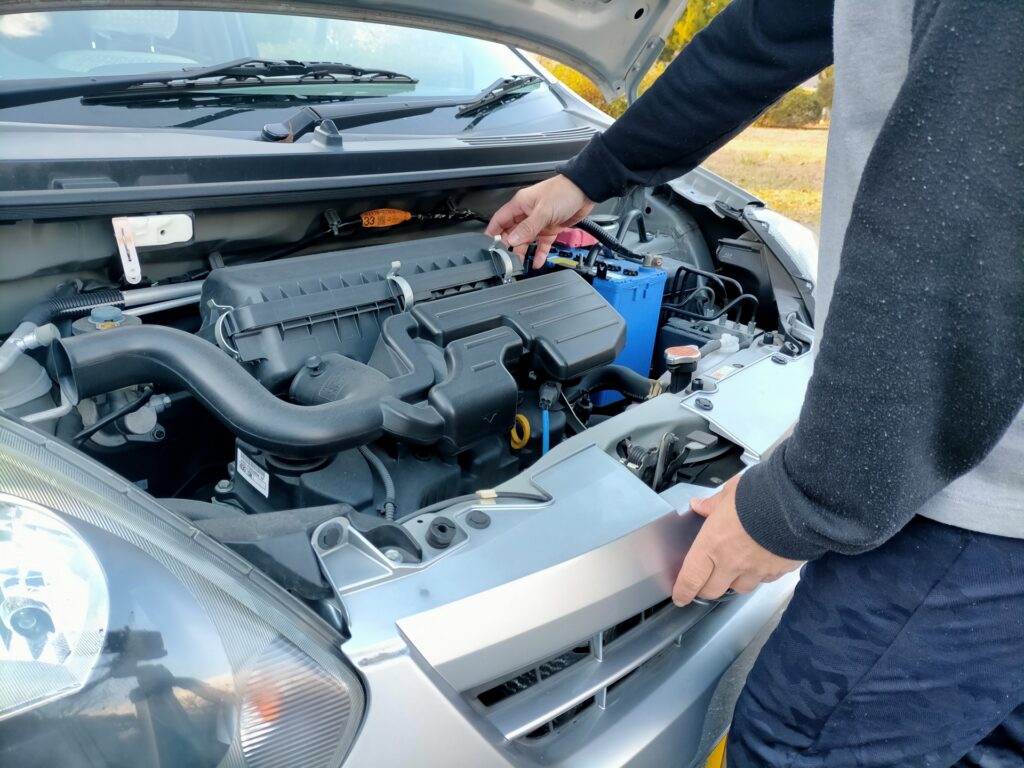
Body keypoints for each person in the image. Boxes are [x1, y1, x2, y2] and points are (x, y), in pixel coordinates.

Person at [486, 1, 1023, 765]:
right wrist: (592, 176)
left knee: (790, 746)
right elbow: (764, 34)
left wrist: (807, 503)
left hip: (977, 502)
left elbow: (966, 215)